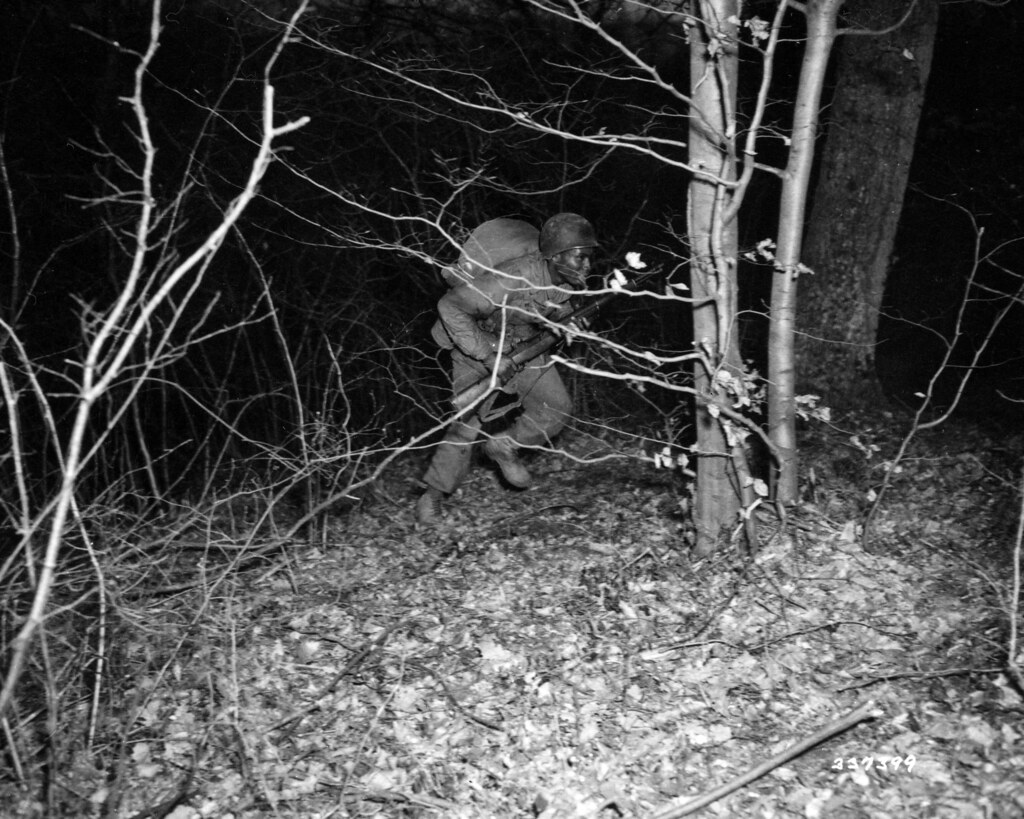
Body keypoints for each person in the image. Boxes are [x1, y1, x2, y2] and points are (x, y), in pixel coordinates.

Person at [416, 213, 598, 526]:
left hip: (522, 347)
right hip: (476, 343)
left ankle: (505, 446)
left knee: (555, 407)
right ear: (555, 257)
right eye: (580, 258)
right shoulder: (512, 277)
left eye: (588, 259)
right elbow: (451, 307)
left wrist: (572, 324)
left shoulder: (566, 282)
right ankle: (431, 496)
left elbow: (554, 312)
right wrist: (487, 356)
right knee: (466, 425)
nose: (587, 267)